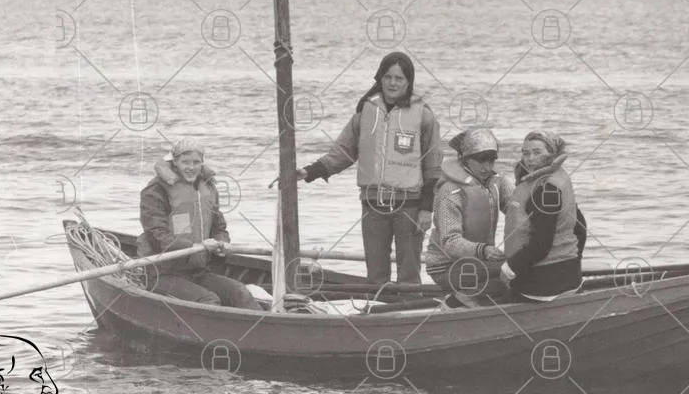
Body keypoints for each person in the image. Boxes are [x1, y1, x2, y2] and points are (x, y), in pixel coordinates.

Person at [297, 52, 442, 285]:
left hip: (410, 207)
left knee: (409, 274)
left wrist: (427, 208)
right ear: (379, 78)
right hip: (373, 206)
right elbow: (342, 152)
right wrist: (310, 172)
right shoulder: (365, 111)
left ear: (409, 82)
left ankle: (408, 307)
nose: (393, 83)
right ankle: (378, 306)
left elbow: (433, 165)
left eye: (399, 78)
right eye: (388, 77)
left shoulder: (424, 116)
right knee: (375, 276)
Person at [138, 138, 262, 310]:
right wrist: (195, 246)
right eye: (185, 162)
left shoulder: (208, 187)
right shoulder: (155, 190)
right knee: (208, 300)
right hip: (162, 272)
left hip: (198, 271)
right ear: (175, 162)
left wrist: (221, 242)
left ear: (202, 163)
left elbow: (218, 226)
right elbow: (156, 235)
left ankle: (263, 325)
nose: (191, 167)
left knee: (240, 292)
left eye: (196, 162)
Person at [426, 127, 513, 307]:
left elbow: (517, 211)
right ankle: (457, 301)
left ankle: (474, 298)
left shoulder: (496, 182)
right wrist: (484, 250)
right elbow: (450, 242)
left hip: (479, 261)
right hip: (446, 267)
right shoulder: (450, 191)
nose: (487, 167)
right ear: (464, 159)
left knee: (520, 267)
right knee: (510, 274)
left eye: (491, 160)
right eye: (480, 161)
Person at [502, 131, 587, 299]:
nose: (530, 158)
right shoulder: (559, 179)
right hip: (572, 277)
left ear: (552, 154)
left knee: (498, 285)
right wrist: (574, 262)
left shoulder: (545, 190)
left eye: (537, 152)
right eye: (526, 153)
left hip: (543, 286)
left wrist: (509, 268)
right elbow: (581, 229)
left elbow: (541, 245)